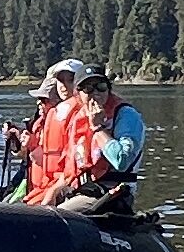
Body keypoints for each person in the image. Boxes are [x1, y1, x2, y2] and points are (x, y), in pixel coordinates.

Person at [44, 69, 147, 216]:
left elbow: (121, 160)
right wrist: (53, 192)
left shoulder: (126, 115)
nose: (96, 93)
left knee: (55, 217)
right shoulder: (79, 119)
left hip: (110, 193)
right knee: (39, 212)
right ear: (78, 94)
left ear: (109, 89)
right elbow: (71, 170)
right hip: (81, 190)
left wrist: (98, 128)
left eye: (101, 87)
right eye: (88, 89)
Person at [0, 59, 89, 200]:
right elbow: (40, 158)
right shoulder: (44, 120)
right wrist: (17, 142)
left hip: (66, 186)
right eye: (60, 80)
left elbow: (72, 161)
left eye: (70, 80)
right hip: (46, 184)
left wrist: (33, 145)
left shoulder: (85, 114)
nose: (64, 85)